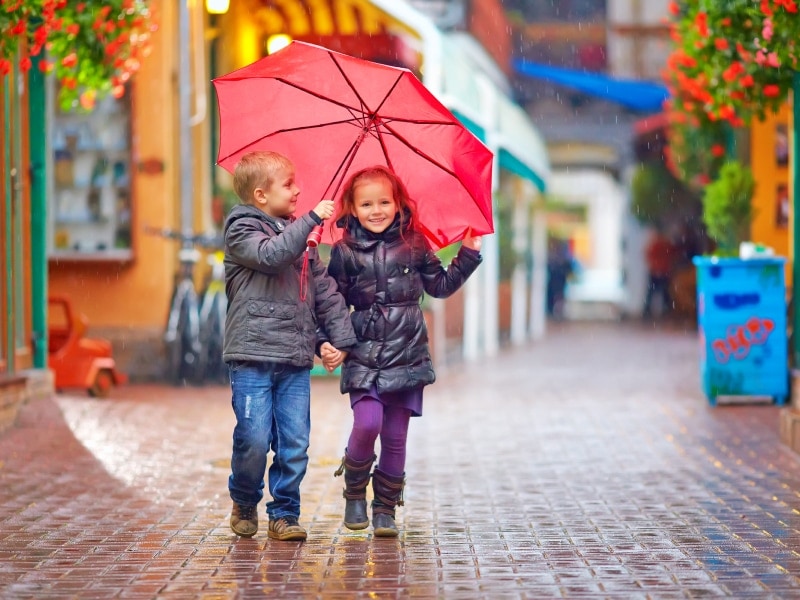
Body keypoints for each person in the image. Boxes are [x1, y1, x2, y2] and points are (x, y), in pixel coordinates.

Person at [320, 165, 483, 537]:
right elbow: (330, 303)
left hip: (408, 352)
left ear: (398, 205)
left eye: (383, 202)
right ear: (352, 208)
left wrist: (468, 254)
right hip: (364, 350)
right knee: (367, 423)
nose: (376, 210)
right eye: (366, 204)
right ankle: (355, 493)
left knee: (395, 436)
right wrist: (328, 341)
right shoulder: (344, 252)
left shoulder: (415, 243)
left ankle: (385, 509)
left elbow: (439, 286)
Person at [222, 151, 357, 541]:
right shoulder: (241, 228)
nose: (298, 191)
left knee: (295, 442)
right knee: (253, 437)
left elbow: (325, 294)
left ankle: (285, 513)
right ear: (261, 195)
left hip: (294, 357)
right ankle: (245, 498)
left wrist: (338, 341)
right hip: (252, 355)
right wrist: (313, 220)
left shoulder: (303, 238)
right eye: (289, 184)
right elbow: (271, 255)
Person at [642, 225, 676, 319]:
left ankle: (652, 312)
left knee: (657, 293)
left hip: (658, 271)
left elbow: (648, 255)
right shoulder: (663, 244)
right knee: (661, 293)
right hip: (661, 271)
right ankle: (664, 311)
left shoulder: (659, 244)